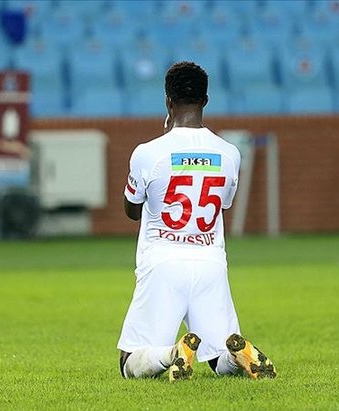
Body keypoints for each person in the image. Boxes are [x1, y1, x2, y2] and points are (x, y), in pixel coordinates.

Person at [117, 61, 276, 381]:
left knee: (128, 362)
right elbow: (223, 205)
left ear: (168, 101)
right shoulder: (229, 153)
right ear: (205, 100)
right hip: (210, 263)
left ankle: (172, 354)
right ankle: (238, 356)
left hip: (162, 263)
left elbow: (131, 210)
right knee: (219, 357)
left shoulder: (148, 152)